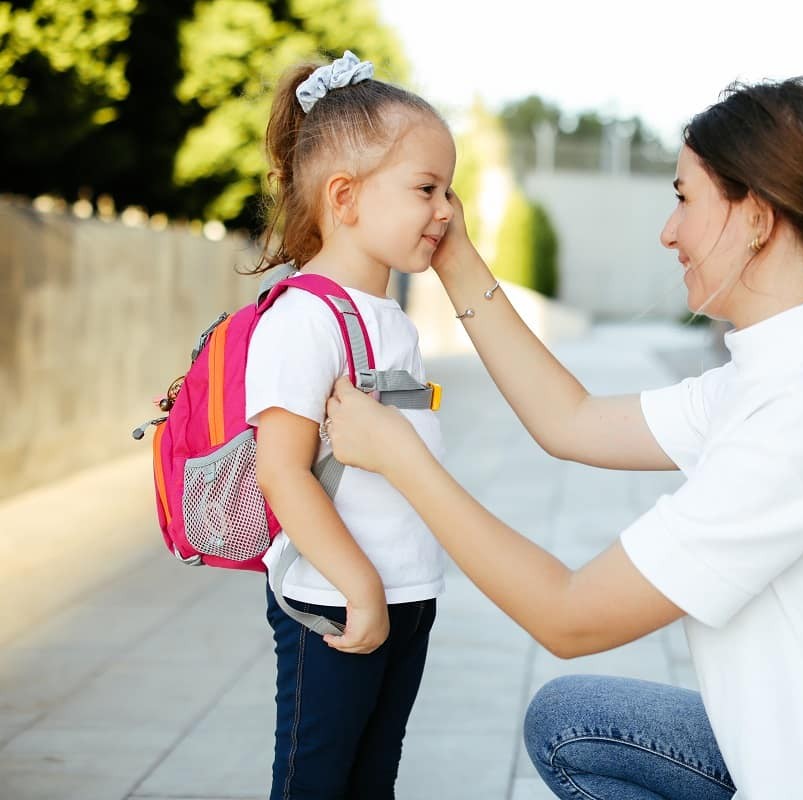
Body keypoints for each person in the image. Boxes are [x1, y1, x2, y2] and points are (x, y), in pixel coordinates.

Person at [324, 77, 803, 799]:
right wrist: (456, 258)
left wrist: (402, 458)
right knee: (571, 723)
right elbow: (573, 421)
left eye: (685, 198)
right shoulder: (793, 364)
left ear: (757, 218)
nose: (669, 230)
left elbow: (569, 616)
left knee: (574, 712)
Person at [245, 51, 455, 799]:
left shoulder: (390, 317)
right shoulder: (302, 317)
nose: (447, 211)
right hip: (333, 599)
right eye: (427, 189)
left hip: (404, 595)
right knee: (315, 783)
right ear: (345, 197)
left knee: (372, 783)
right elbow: (282, 469)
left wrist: (397, 587)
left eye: (450, 191)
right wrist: (359, 583)